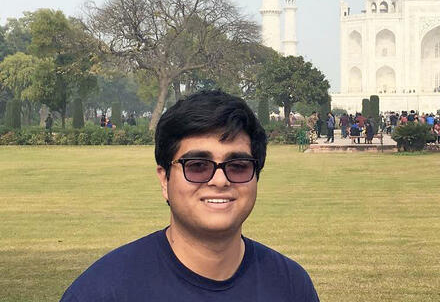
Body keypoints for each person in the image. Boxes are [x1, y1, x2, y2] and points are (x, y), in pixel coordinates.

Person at [60, 90, 319, 302]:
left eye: (238, 166)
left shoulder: (291, 286)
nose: (220, 180)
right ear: (165, 179)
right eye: (197, 166)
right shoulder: (103, 292)